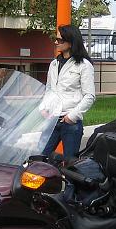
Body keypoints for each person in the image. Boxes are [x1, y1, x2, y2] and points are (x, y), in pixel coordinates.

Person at [40, 25, 96, 159]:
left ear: (70, 42)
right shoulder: (54, 64)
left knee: (70, 164)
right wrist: (44, 107)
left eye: (60, 40)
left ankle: (68, 181)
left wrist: (72, 116)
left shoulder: (83, 65)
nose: (55, 43)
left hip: (71, 123)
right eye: (56, 39)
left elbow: (89, 96)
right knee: (40, 157)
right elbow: (49, 90)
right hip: (52, 120)